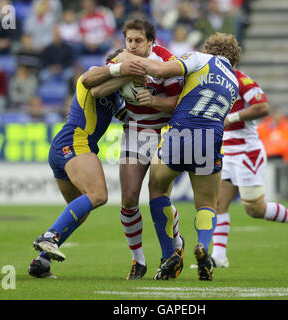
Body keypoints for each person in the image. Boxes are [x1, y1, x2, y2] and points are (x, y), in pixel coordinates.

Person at [115, 32, 241, 281]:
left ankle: (169, 254)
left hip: (180, 132)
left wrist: (127, 59)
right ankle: (203, 245)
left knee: (158, 189)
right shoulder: (234, 81)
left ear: (209, 48)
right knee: (206, 203)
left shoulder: (200, 58)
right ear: (234, 60)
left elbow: (162, 71)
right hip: (211, 137)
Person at [27, 50, 147, 278]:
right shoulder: (96, 72)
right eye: (127, 59)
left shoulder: (115, 96)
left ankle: (40, 262)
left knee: (80, 212)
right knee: (98, 195)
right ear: (114, 61)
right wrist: (126, 73)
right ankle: (49, 237)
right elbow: (92, 85)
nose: (132, 62)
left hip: (67, 146)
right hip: (76, 141)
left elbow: (130, 117)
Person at [90, 18, 185, 280]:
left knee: (159, 196)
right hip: (135, 132)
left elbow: (179, 103)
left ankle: (174, 247)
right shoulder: (121, 59)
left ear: (151, 41)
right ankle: (138, 260)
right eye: (128, 40)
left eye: (138, 40)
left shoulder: (167, 62)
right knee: (129, 197)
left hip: (166, 133)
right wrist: (120, 72)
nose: (132, 45)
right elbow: (96, 89)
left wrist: (154, 100)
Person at [209, 70, 288, 269]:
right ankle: (218, 256)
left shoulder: (242, 81)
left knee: (254, 209)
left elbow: (262, 107)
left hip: (246, 153)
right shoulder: (212, 80)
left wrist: (231, 118)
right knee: (218, 203)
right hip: (227, 152)